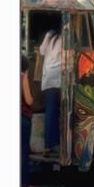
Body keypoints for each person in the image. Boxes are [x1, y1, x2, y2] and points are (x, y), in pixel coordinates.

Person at [39, 27, 62, 156]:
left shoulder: (50, 37)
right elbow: (66, 57)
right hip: (56, 78)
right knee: (53, 112)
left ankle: (51, 144)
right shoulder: (63, 39)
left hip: (48, 78)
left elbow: (42, 52)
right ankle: (50, 145)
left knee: (51, 112)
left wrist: (47, 35)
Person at [21, 54, 34, 187]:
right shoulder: (22, 77)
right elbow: (28, 99)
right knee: (23, 150)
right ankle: (24, 183)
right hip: (22, 118)